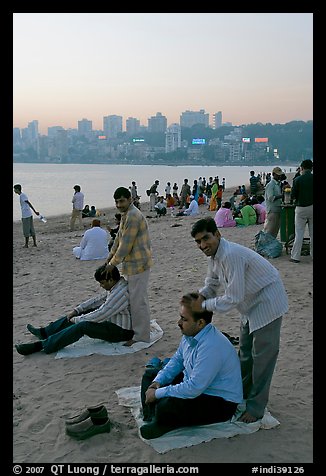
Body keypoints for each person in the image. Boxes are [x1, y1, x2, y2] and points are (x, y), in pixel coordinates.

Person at [190, 217, 288, 423]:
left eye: (206, 239)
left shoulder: (231, 255)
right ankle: (239, 393)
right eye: (198, 242)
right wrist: (198, 298)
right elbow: (212, 283)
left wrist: (204, 306)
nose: (202, 245)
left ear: (217, 234)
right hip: (249, 304)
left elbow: (232, 298)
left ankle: (256, 407)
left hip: (267, 301)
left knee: (262, 359)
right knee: (245, 354)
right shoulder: (214, 257)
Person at [139, 292, 243, 439]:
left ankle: (160, 418)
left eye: (183, 319)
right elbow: (177, 361)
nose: (178, 323)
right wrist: (157, 383)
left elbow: (194, 388)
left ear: (200, 322)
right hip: (198, 386)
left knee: (166, 404)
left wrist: (157, 393)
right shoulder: (190, 334)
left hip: (220, 401)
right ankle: (151, 417)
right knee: (151, 375)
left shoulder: (211, 346)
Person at [15, 265, 134, 356]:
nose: (101, 286)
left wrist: (76, 320)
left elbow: (101, 314)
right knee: (80, 314)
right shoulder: (116, 286)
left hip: (120, 331)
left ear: (111, 280)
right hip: (111, 323)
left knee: (82, 326)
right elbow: (98, 299)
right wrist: (77, 311)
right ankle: (45, 332)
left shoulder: (120, 293)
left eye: (102, 283)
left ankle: (43, 345)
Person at [105, 187, 153, 345]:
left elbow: (125, 245)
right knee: (135, 299)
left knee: (138, 301)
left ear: (129, 200)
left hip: (138, 264)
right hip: (132, 264)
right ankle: (139, 330)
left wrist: (112, 264)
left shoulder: (133, 215)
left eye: (121, 201)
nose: (119, 204)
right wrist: (110, 256)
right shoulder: (126, 214)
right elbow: (119, 237)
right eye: (116, 202)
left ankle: (141, 336)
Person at [290, 159, 313, 263]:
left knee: (299, 233)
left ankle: (295, 257)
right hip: (312, 207)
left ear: (302, 168)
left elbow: (293, 196)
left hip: (301, 208)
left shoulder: (298, 180)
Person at [13, 184, 40, 248]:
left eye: (14, 189)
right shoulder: (22, 195)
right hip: (28, 214)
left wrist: (35, 211)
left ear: (17, 189)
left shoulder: (22, 196)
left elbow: (29, 203)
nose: (14, 190)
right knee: (31, 229)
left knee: (26, 230)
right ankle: (34, 243)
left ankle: (26, 245)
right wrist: (34, 212)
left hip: (26, 215)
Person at [263, 167, 286, 238]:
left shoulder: (278, 184)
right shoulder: (271, 185)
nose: (279, 176)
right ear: (273, 174)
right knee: (269, 230)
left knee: (275, 230)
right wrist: (281, 196)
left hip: (278, 210)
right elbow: (270, 198)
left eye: (280, 175)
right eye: (277, 175)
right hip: (272, 210)